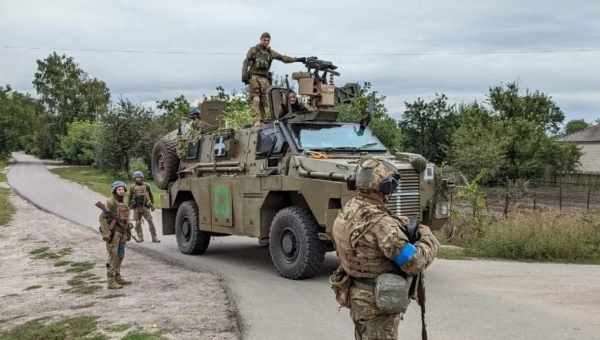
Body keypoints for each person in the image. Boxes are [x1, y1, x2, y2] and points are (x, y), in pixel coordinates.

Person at [331, 158, 440, 340]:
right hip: (376, 307)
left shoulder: (349, 209)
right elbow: (413, 262)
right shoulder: (381, 225)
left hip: (358, 298)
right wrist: (428, 240)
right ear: (385, 186)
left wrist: (397, 224)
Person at [242, 32, 306, 126]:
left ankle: (265, 119)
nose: (266, 42)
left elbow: (283, 58)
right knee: (256, 99)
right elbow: (246, 62)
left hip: (265, 78)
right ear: (261, 39)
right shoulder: (254, 50)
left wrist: (297, 59)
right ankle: (256, 121)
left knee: (266, 99)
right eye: (264, 40)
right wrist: (244, 76)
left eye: (268, 40)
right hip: (254, 77)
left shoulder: (270, 52)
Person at [99, 181, 133, 289]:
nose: (121, 191)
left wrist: (128, 230)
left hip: (122, 233)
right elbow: (102, 218)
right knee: (113, 256)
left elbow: (125, 219)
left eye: (123, 189)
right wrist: (106, 233)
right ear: (114, 191)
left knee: (120, 255)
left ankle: (117, 277)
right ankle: (110, 281)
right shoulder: (110, 202)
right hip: (113, 234)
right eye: (119, 189)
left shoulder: (124, 203)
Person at [128, 171, 159, 243]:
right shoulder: (132, 187)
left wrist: (152, 204)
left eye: (139, 178)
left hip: (145, 207)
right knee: (137, 223)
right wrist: (129, 205)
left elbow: (151, 195)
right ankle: (140, 237)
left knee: (150, 221)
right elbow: (130, 197)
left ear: (142, 178)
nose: (138, 179)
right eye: (136, 178)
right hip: (136, 207)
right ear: (134, 179)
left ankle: (154, 237)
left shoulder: (147, 185)